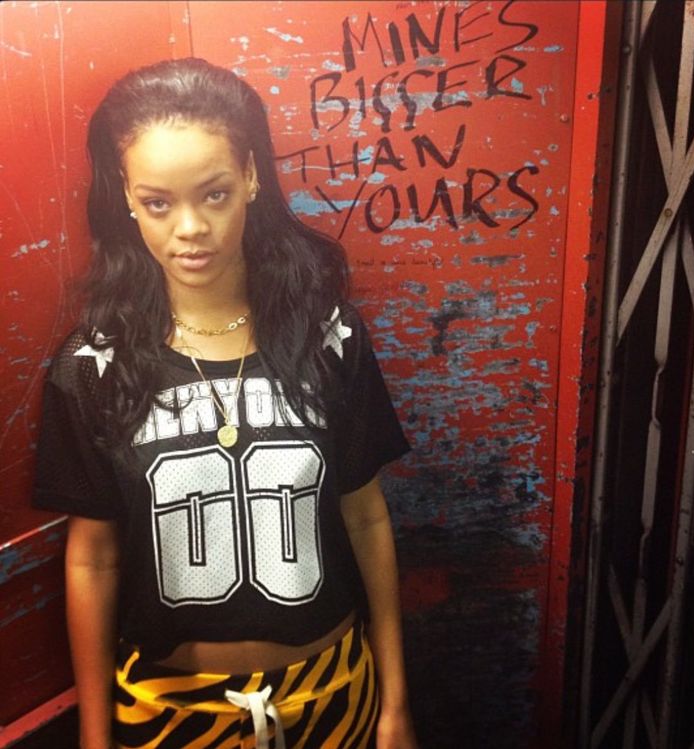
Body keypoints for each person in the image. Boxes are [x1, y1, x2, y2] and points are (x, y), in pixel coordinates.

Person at [32, 57, 417, 749]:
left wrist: (395, 702)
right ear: (125, 195)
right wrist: (96, 737)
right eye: (158, 202)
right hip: (169, 714)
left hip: (330, 695)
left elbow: (366, 517)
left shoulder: (328, 335)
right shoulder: (92, 364)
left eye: (212, 194)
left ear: (250, 176)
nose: (190, 228)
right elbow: (93, 558)